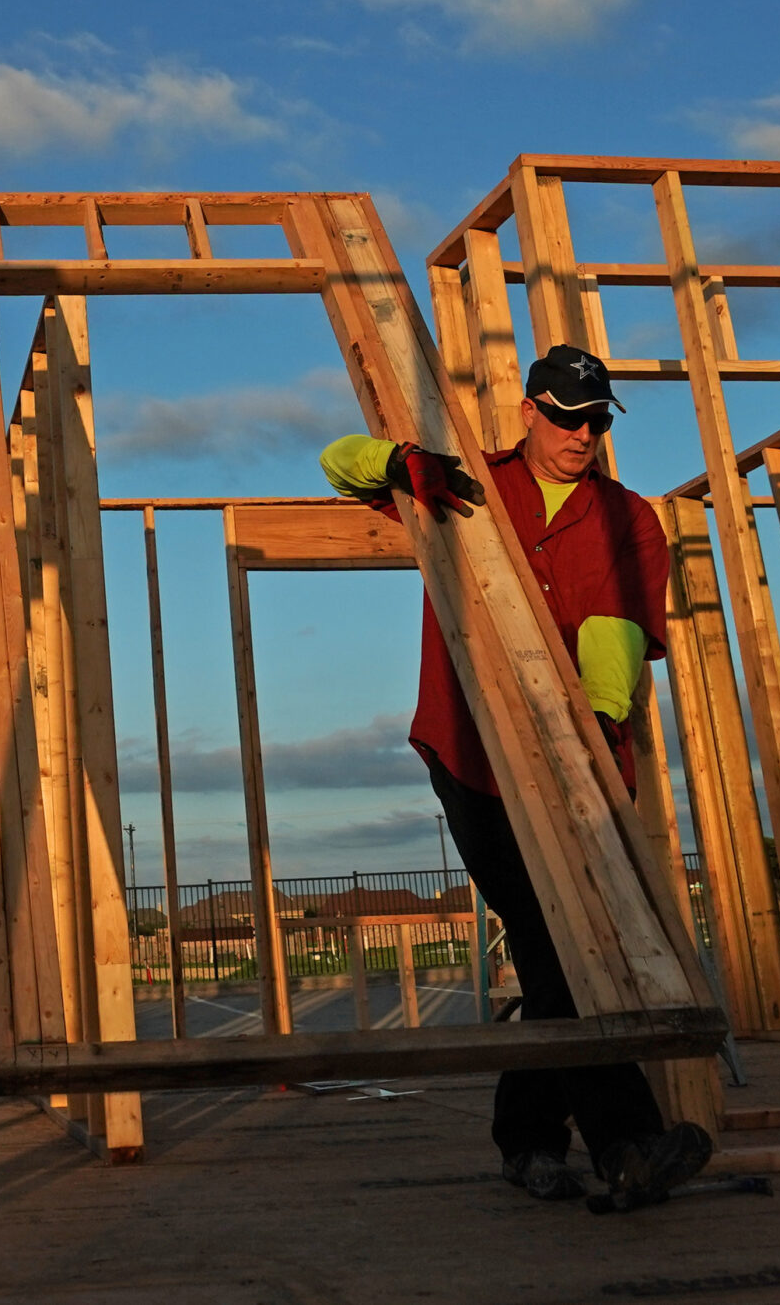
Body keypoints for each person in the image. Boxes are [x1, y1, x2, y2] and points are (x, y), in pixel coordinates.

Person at [319, 342, 711, 1211]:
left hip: (577, 762)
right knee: (550, 933)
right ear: (530, 410)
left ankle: (531, 1143)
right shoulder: (472, 486)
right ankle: (626, 1143)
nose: (582, 436)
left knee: (552, 951)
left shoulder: (628, 519)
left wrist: (597, 727)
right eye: (567, 418)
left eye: (596, 421)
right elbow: (336, 462)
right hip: (471, 754)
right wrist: (398, 464)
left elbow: (614, 627)